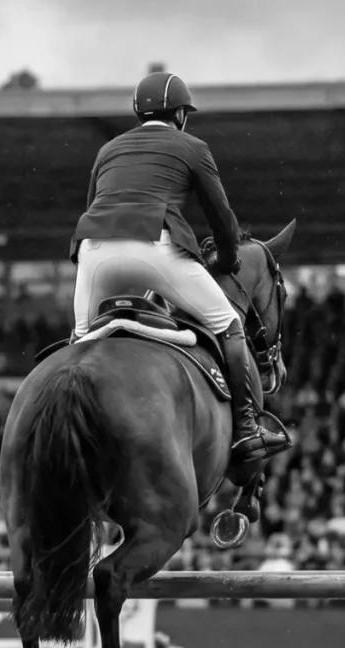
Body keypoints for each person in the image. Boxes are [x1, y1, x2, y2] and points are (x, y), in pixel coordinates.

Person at [68, 71, 288, 469]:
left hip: (94, 251)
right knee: (228, 325)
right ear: (181, 114)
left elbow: (92, 205)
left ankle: (72, 437)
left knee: (79, 347)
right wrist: (229, 259)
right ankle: (245, 430)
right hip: (154, 244)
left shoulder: (108, 150)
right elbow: (222, 218)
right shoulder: (192, 146)